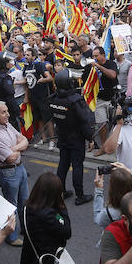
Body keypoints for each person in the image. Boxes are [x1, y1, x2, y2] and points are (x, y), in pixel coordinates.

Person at [0, 100, 29, 246]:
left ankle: (25, 229)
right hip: (7, 172)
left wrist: (13, 147)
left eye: (7, 111)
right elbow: (10, 158)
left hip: (20, 168)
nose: (8, 114)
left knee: (24, 202)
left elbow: (25, 140)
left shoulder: (7, 125)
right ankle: (11, 237)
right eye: (4, 112)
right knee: (11, 206)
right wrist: (18, 148)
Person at [49, 70, 94, 205]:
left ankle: (60, 192)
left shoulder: (53, 98)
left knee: (63, 165)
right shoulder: (75, 100)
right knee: (77, 166)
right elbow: (84, 121)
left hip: (62, 136)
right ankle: (80, 196)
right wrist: (90, 139)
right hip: (76, 139)